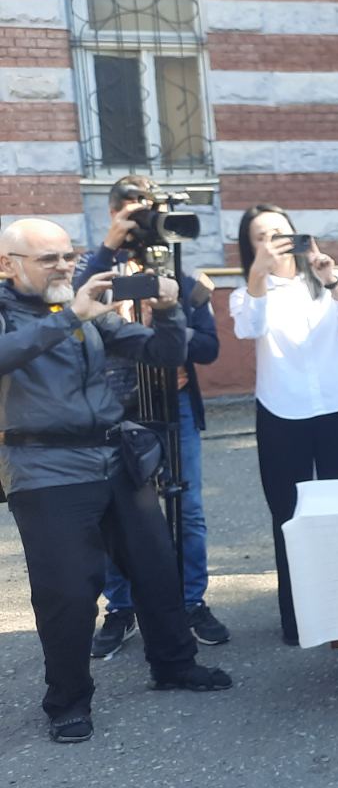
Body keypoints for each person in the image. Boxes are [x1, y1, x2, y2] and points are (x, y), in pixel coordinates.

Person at [0, 218, 232, 743]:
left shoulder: (78, 309)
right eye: (49, 259)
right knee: (67, 593)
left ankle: (174, 665)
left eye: (69, 256)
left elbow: (164, 354)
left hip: (113, 457)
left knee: (156, 567)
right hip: (44, 468)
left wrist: (169, 310)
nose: (64, 267)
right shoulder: (30, 311)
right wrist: (70, 316)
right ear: (8, 264)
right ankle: (67, 702)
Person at [75, 176, 230, 655]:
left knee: (189, 509)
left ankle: (191, 602)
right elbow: (70, 308)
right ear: (113, 214)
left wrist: (167, 325)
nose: (142, 222)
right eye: (132, 212)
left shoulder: (182, 277)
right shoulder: (93, 270)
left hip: (173, 400)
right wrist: (109, 248)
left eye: (149, 212)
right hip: (115, 409)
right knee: (115, 513)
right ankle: (121, 609)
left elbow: (209, 349)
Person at [229, 205, 338, 645]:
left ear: (297, 234)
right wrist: (258, 275)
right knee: (289, 517)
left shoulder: (329, 278)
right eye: (261, 237)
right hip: (282, 410)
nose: (273, 242)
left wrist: (331, 279)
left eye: (279, 232)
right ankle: (298, 619)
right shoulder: (247, 292)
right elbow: (248, 328)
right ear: (250, 247)